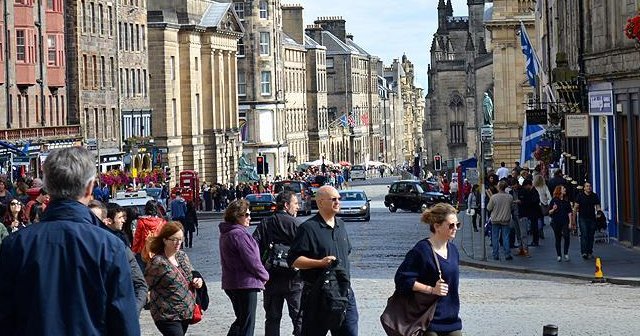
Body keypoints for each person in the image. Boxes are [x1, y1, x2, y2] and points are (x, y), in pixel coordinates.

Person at [0, 147, 139, 335]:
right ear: (90, 187)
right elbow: (124, 325)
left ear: (47, 187)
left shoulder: (15, 245)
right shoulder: (109, 246)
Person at [288, 185, 358, 336]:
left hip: (343, 293)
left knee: (349, 333)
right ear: (320, 202)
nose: (338, 202)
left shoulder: (341, 225)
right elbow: (294, 260)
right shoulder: (308, 228)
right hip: (318, 294)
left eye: (339, 199)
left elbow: (347, 252)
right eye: (333, 199)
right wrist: (320, 263)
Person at [394, 203, 462, 336]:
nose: (455, 229)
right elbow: (402, 279)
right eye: (451, 225)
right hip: (428, 321)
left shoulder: (453, 250)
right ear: (437, 226)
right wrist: (431, 289)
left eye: (457, 225)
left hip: (451, 319)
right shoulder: (421, 251)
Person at [252, 191, 303, 336]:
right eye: (295, 204)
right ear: (286, 205)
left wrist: (260, 269)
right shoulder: (296, 225)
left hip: (271, 278)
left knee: (272, 319)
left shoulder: (265, 223)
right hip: (294, 279)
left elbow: (253, 247)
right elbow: (307, 249)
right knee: (299, 318)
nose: (298, 207)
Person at [89, 200, 149, 315]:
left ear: (106, 221)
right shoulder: (76, 249)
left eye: (95, 220)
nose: (91, 224)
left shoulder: (119, 247)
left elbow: (140, 285)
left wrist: (131, 314)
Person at [219, 199, 269, 336]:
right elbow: (252, 260)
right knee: (247, 323)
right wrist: (265, 275)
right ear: (237, 216)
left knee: (241, 320)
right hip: (245, 283)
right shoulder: (239, 234)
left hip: (232, 283)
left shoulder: (227, 233)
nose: (249, 217)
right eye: (246, 215)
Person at [145, 221, 204, 336]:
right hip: (167, 315)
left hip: (185, 313)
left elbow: (191, 274)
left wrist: (198, 281)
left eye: (180, 239)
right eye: (174, 239)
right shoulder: (158, 262)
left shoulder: (182, 256)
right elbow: (145, 284)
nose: (178, 243)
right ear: (165, 240)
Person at [132, 200, 167, 272]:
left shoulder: (141, 222)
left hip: (143, 251)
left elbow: (137, 238)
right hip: (158, 251)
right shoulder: (162, 222)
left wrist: (134, 251)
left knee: (143, 273)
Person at [487, 181, 514, 261]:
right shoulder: (509, 197)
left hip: (495, 219)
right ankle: (507, 254)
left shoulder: (494, 197)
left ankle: (495, 255)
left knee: (495, 237)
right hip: (505, 219)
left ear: (498, 187)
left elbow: (489, 208)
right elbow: (511, 207)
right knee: (505, 237)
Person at [574, 182, 601, 259]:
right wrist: (573, 219)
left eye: (590, 186)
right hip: (582, 218)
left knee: (591, 235)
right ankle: (584, 252)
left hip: (592, 218)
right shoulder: (580, 196)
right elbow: (576, 207)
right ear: (584, 188)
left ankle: (589, 251)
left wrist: (599, 212)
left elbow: (597, 206)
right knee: (584, 234)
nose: (589, 187)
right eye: (587, 186)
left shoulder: (594, 196)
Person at [549, 186, 574, 262]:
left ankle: (566, 253)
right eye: (563, 189)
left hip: (565, 221)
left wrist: (570, 222)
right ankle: (559, 255)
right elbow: (549, 212)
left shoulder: (566, 202)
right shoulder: (554, 200)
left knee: (566, 236)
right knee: (558, 238)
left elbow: (569, 212)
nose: (565, 190)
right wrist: (553, 209)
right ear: (559, 191)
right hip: (556, 221)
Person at [533, 175, 551, 239]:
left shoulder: (534, 187)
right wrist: (548, 202)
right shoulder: (544, 186)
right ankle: (541, 230)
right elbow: (548, 195)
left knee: (538, 219)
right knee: (541, 217)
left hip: (536, 204)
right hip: (543, 203)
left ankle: (539, 230)